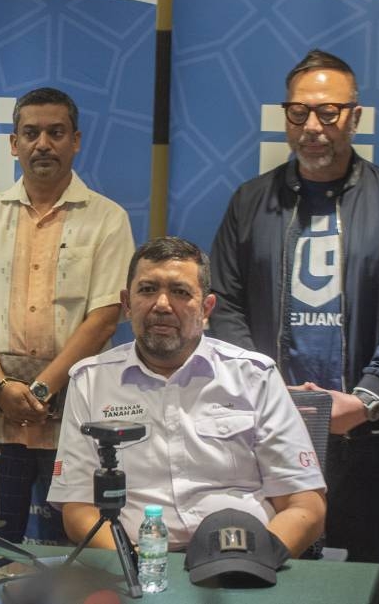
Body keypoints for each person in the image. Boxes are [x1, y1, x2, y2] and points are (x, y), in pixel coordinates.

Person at [209, 49, 379, 576]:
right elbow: (223, 304)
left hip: (369, 436)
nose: (313, 126)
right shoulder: (250, 202)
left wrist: (369, 397)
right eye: (299, 113)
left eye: (329, 112)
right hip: (267, 436)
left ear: (355, 118)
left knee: (360, 573)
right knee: (272, 570)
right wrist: (265, 394)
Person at [49, 237, 326, 557]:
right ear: (127, 304)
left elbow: (305, 505)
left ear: (206, 309)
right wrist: (135, 563)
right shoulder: (90, 381)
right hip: (135, 559)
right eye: (148, 289)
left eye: (180, 292)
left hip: (242, 557)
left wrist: (257, 561)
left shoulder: (253, 376)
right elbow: (78, 509)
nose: (162, 304)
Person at [0, 87, 134, 543]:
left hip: (75, 414)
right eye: (30, 133)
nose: (42, 144)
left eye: (56, 132)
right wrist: (2, 386)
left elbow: (106, 316)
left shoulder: (108, 219)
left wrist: (43, 386)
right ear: (14, 144)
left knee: (75, 546)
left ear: (76, 140)